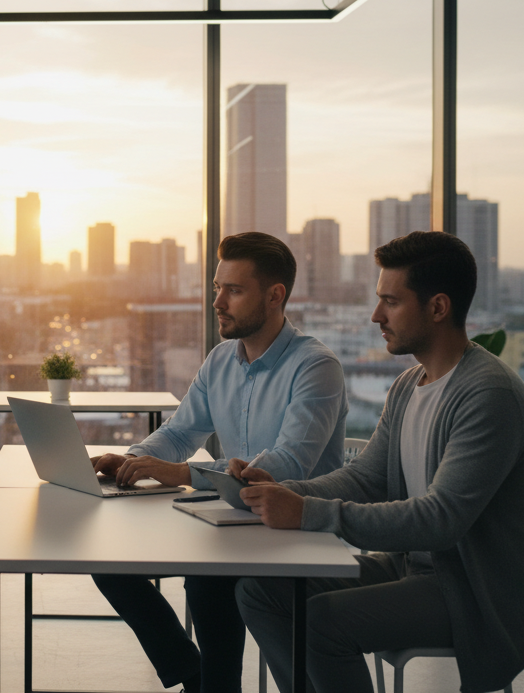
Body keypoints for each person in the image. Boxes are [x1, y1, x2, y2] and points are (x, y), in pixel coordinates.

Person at [234, 231, 524, 693]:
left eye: (391, 301)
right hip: (416, 569)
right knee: (260, 592)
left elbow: (440, 520)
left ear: (438, 307)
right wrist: (280, 492)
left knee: (320, 622)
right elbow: (369, 477)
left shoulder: (489, 395)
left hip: (476, 592)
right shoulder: (410, 384)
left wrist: (306, 513)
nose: (376, 315)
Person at [88, 232, 347, 693]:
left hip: (295, 529)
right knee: (108, 561)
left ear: (275, 296)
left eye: (233, 290)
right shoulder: (221, 360)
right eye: (216, 288)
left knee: (208, 582)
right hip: (228, 520)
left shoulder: (315, 366)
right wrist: (133, 459)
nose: (218, 302)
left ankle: (213, 684)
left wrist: (181, 474)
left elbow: (286, 465)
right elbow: (181, 432)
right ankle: (195, 674)